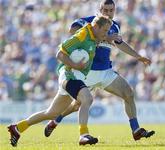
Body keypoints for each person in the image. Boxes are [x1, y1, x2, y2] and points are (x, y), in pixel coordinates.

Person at [44, 0, 155, 145]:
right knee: (77, 105)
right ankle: (56, 120)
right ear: (100, 9)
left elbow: (120, 44)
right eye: (106, 10)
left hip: (105, 72)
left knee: (128, 93)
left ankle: (136, 130)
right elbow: (73, 30)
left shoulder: (115, 26)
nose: (108, 13)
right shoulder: (89, 22)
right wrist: (102, 37)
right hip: (87, 72)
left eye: (111, 10)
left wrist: (138, 56)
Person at [7, 15, 112, 147]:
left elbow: (98, 39)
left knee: (52, 113)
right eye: (105, 30)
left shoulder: (94, 36)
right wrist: (76, 65)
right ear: (96, 27)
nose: (106, 33)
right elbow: (60, 54)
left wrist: (108, 38)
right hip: (69, 75)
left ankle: (18, 128)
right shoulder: (81, 36)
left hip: (76, 77)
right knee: (87, 99)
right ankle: (83, 135)